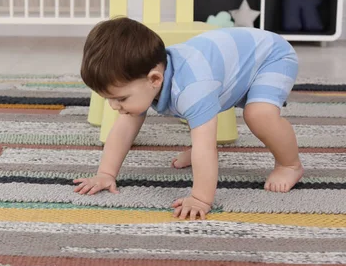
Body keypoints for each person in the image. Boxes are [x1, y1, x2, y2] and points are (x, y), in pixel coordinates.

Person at [73, 17, 303, 220]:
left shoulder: (192, 88)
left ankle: (289, 164)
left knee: (258, 114)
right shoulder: (147, 79)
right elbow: (123, 129)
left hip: (270, 56)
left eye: (120, 99)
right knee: (197, 125)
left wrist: (201, 199)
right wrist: (105, 174)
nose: (114, 107)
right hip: (231, 60)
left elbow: (206, 146)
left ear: (155, 79)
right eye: (108, 99)